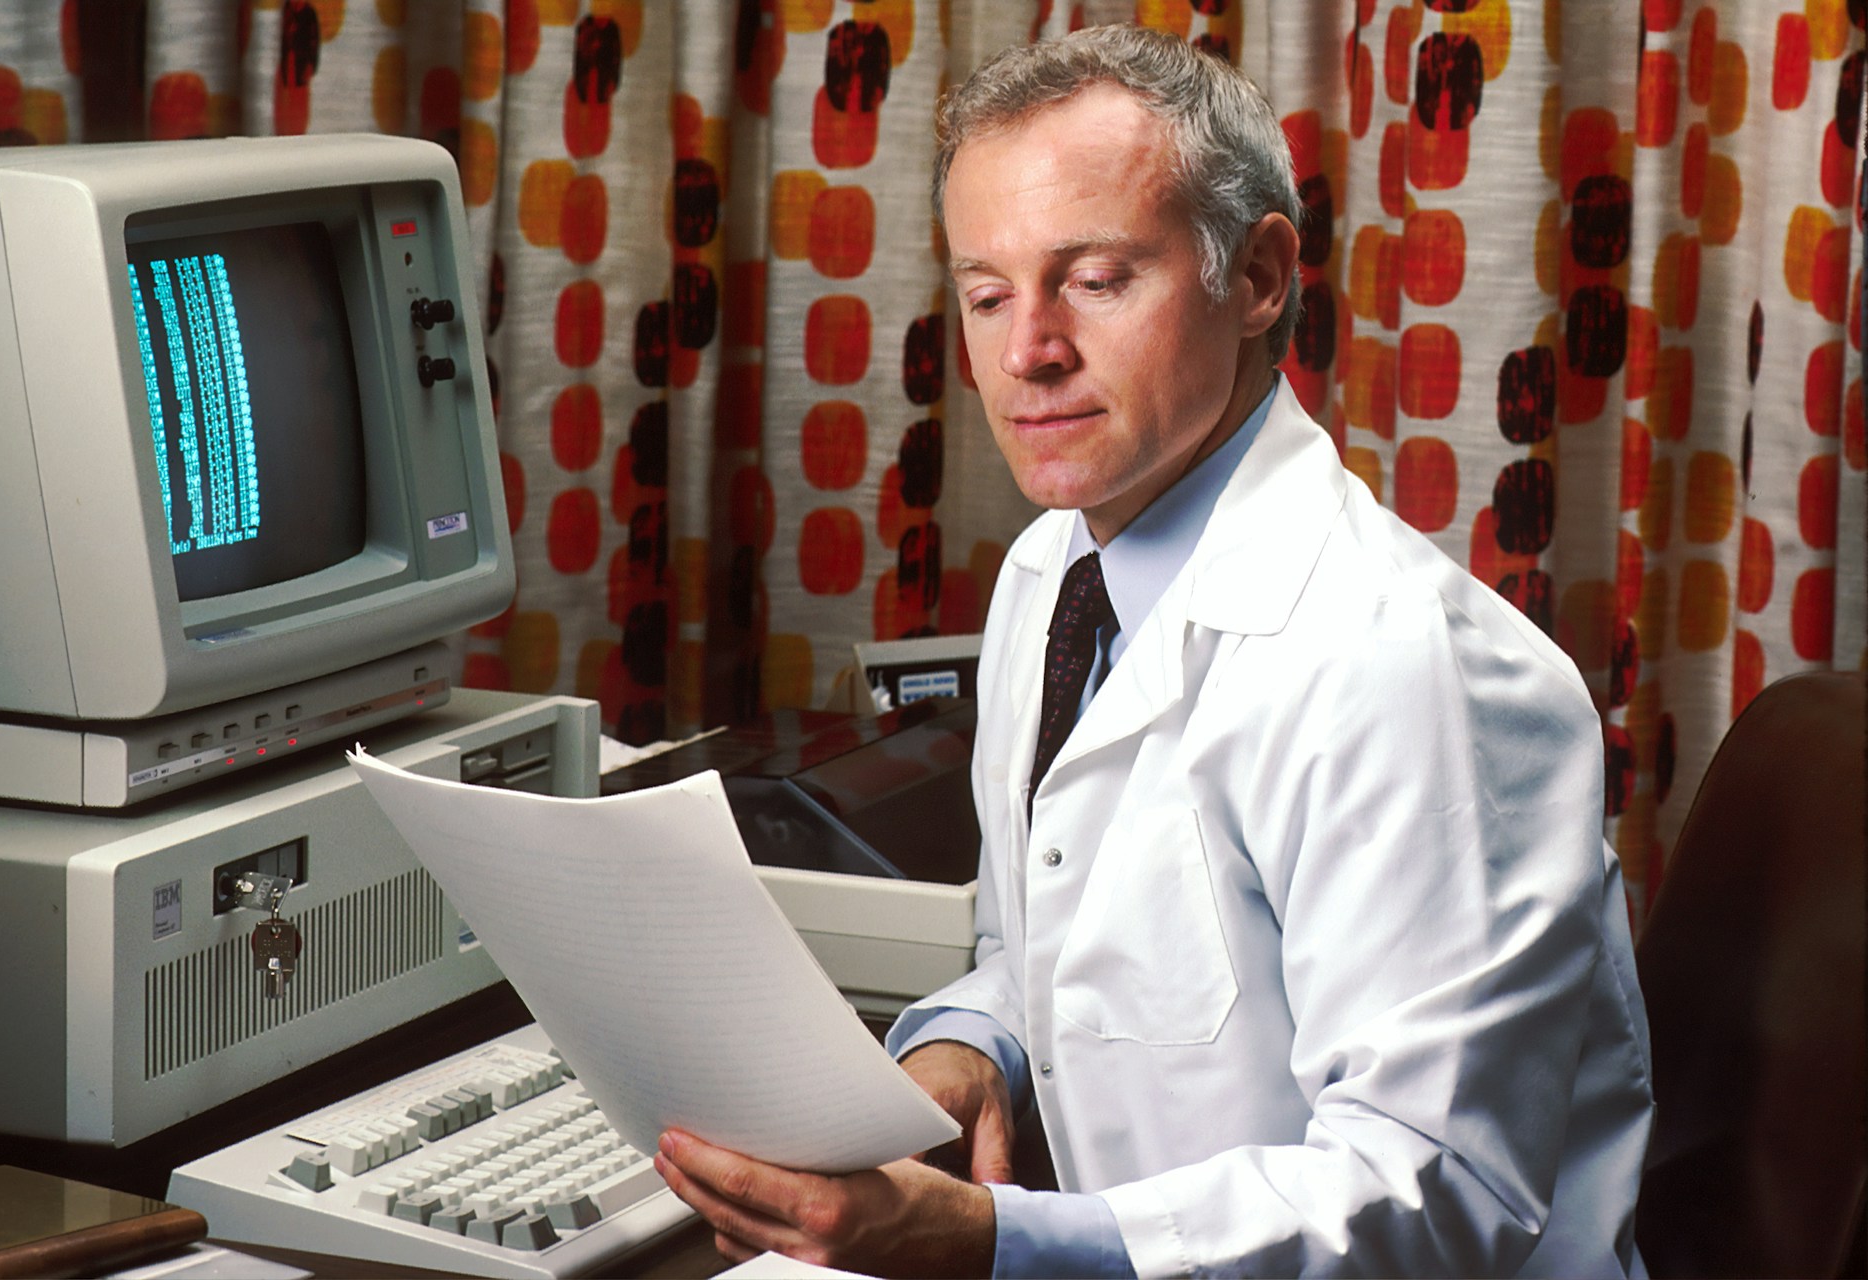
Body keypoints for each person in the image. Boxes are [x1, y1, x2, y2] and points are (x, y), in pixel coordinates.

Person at [655, 24, 1653, 1277]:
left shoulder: (1408, 667)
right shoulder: (1053, 573)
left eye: (1096, 278)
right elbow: (1061, 951)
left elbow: (1429, 1200)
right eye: (986, 293)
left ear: (1260, 275)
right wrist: (970, 1044)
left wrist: (987, 1240)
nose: (1027, 352)